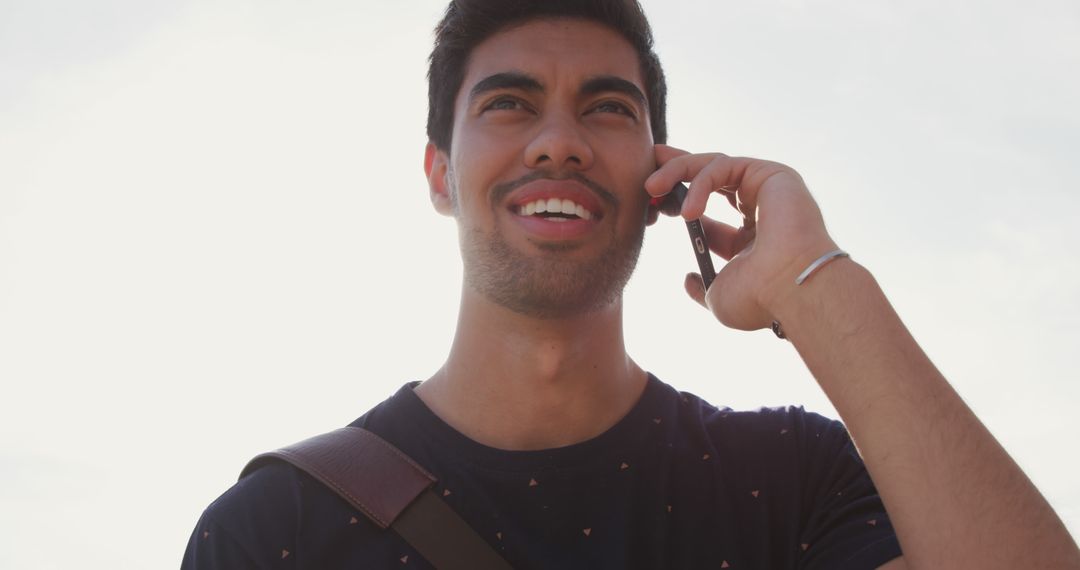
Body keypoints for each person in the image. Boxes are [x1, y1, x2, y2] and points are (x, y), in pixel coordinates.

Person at [182, 0, 1080, 568]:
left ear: (662, 178)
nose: (558, 141)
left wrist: (816, 285)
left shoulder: (789, 484)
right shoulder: (273, 530)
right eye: (509, 103)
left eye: (608, 108)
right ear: (439, 175)